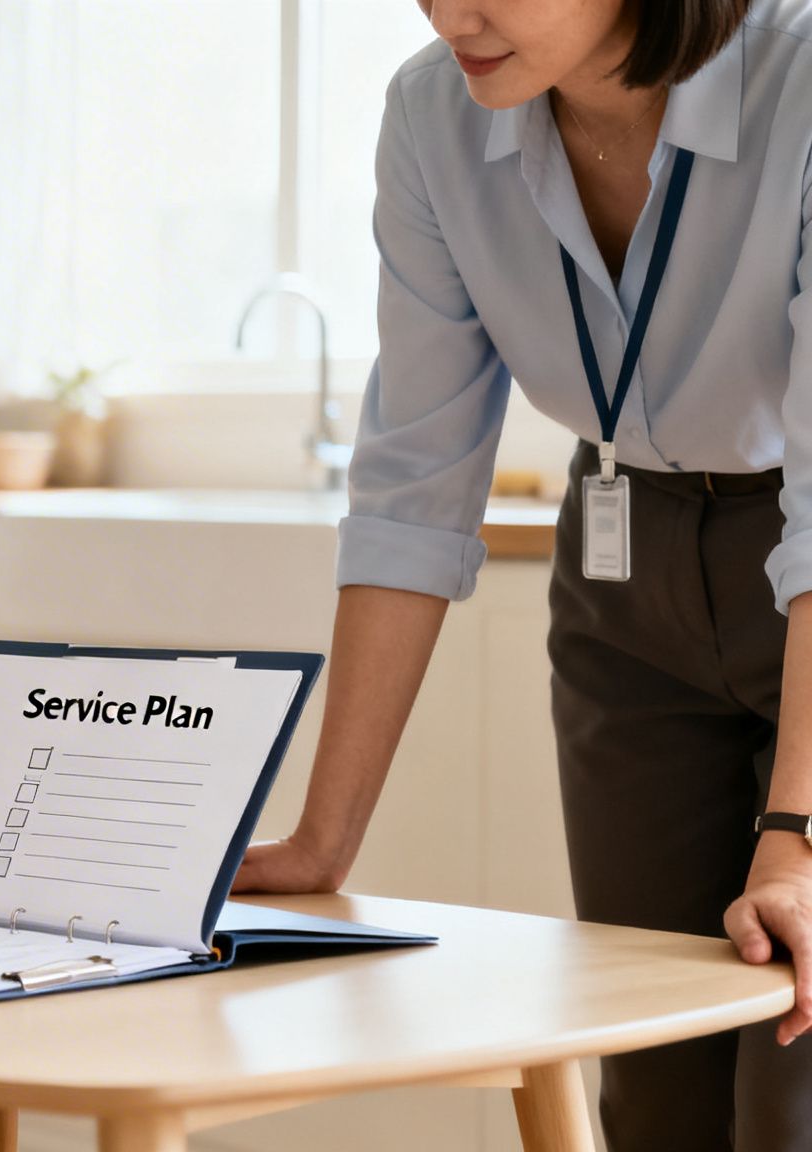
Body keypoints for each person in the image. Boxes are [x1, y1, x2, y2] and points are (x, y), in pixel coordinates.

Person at [231, 0, 812, 1147]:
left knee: (790, 1068)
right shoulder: (431, 114)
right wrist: (321, 840)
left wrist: (798, 830)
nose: (449, 11)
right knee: (648, 1059)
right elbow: (411, 488)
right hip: (620, 570)